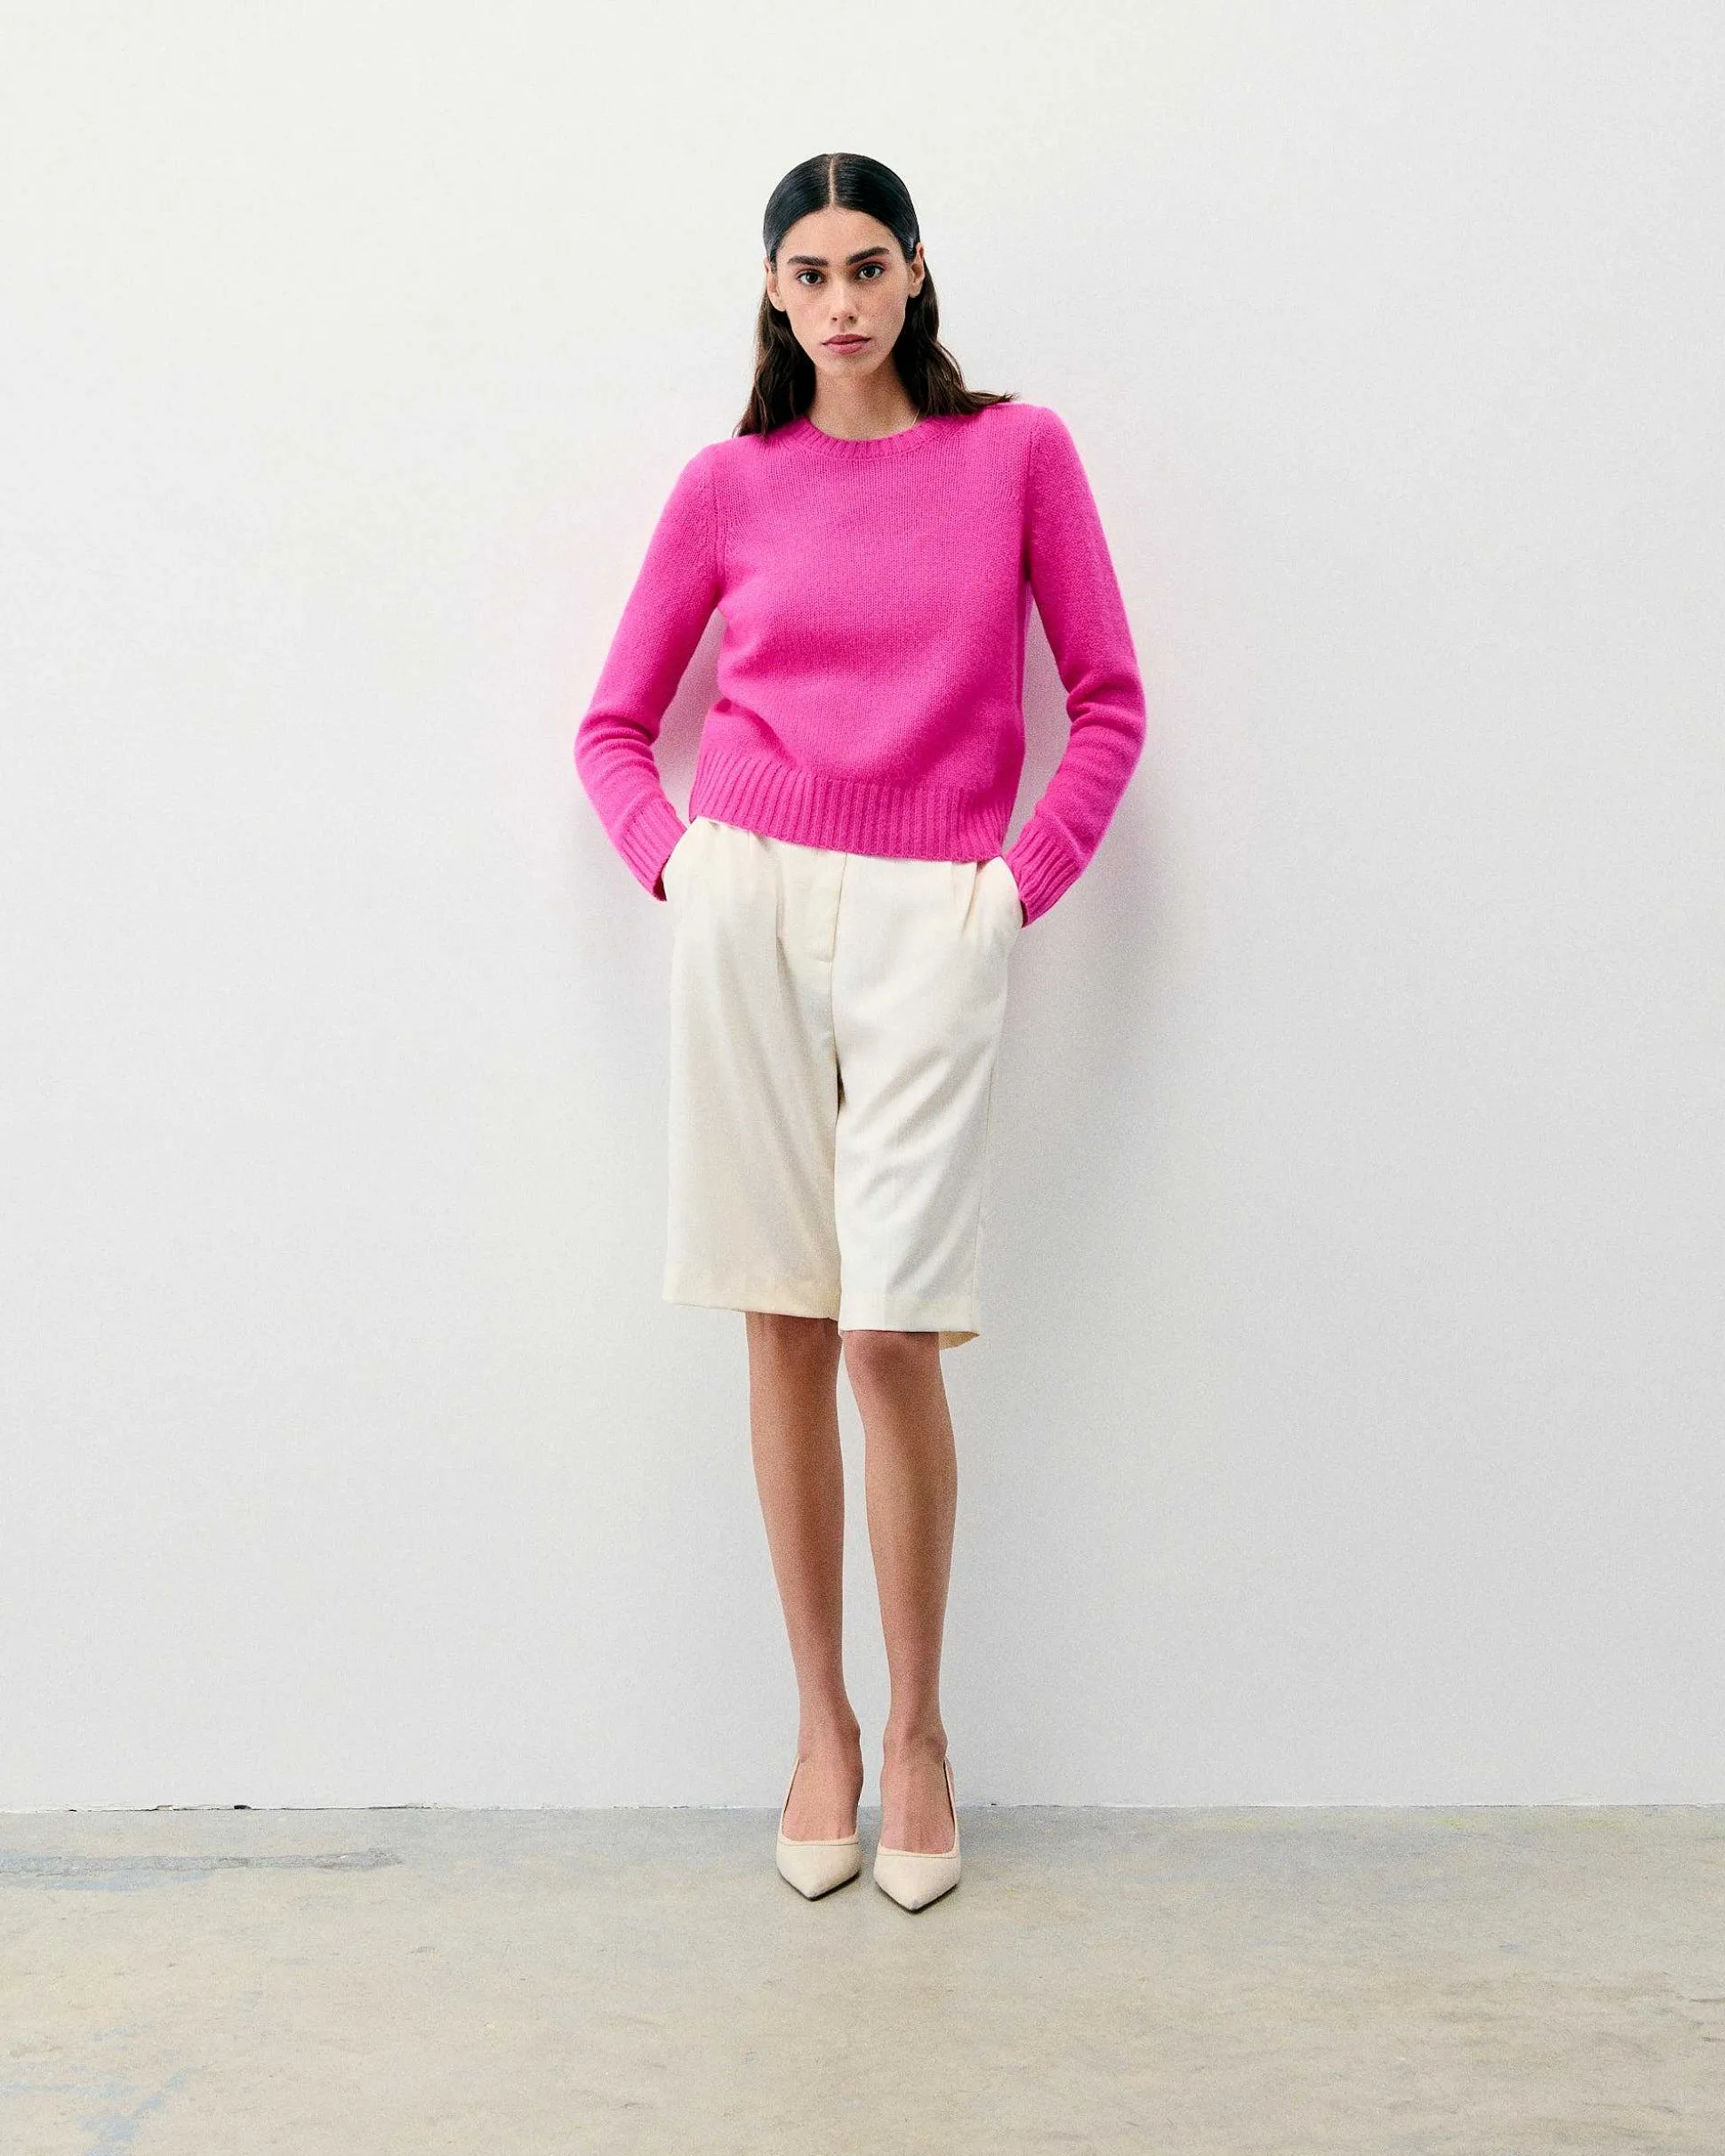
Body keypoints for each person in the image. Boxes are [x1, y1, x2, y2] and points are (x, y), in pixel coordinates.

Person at [574, 151, 1147, 1911]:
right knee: (785, 1316)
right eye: (809, 273)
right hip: (748, 903)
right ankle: (819, 1727)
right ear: (772, 290)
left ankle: (920, 1735)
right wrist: (684, 869)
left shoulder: (1017, 456)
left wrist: (1011, 890)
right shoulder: (727, 485)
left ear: (914, 278)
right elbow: (612, 728)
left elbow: (1108, 703)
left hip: (933, 916)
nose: (840, 301)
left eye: (868, 267)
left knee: (892, 1331)